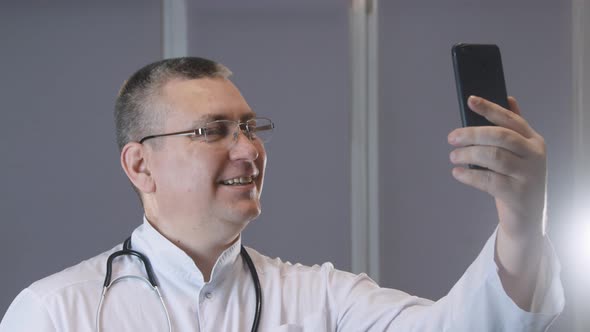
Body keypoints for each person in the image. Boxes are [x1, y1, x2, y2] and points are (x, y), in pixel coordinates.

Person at [0, 57, 563, 331]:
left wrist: (519, 219)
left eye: (250, 127)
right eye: (212, 131)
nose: (247, 149)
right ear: (140, 164)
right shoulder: (57, 313)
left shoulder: (320, 299)